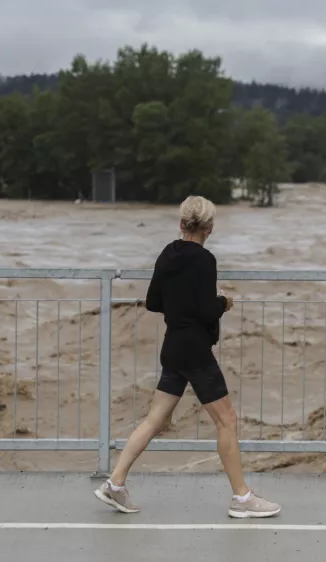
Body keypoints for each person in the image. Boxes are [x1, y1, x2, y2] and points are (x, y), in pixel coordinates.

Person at [93, 195, 282, 519]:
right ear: (209, 228)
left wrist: (181, 305)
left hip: (173, 347)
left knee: (155, 420)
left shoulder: (168, 253)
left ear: (181, 224)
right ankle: (242, 497)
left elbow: (153, 301)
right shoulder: (205, 260)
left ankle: (115, 483)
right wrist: (224, 302)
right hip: (195, 351)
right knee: (227, 420)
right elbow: (207, 310)